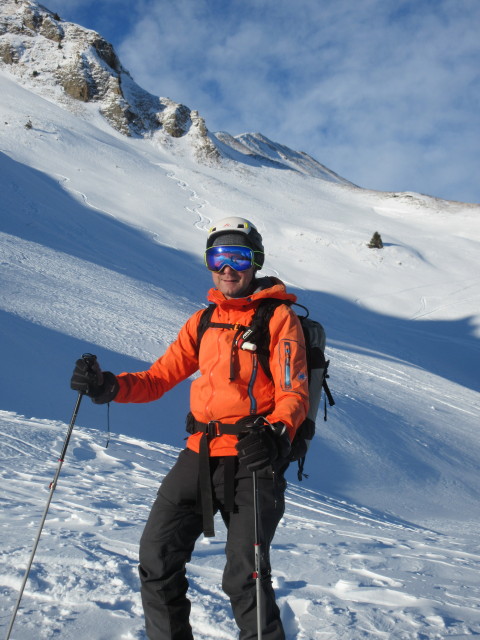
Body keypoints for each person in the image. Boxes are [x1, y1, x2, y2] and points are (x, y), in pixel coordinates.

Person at [71, 216, 309, 640]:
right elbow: (158, 378)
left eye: (238, 256)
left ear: (255, 262)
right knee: (157, 556)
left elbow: (294, 392)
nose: (227, 267)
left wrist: (276, 434)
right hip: (199, 454)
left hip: (254, 461)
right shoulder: (202, 322)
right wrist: (108, 386)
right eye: (218, 257)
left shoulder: (278, 320)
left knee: (244, 578)